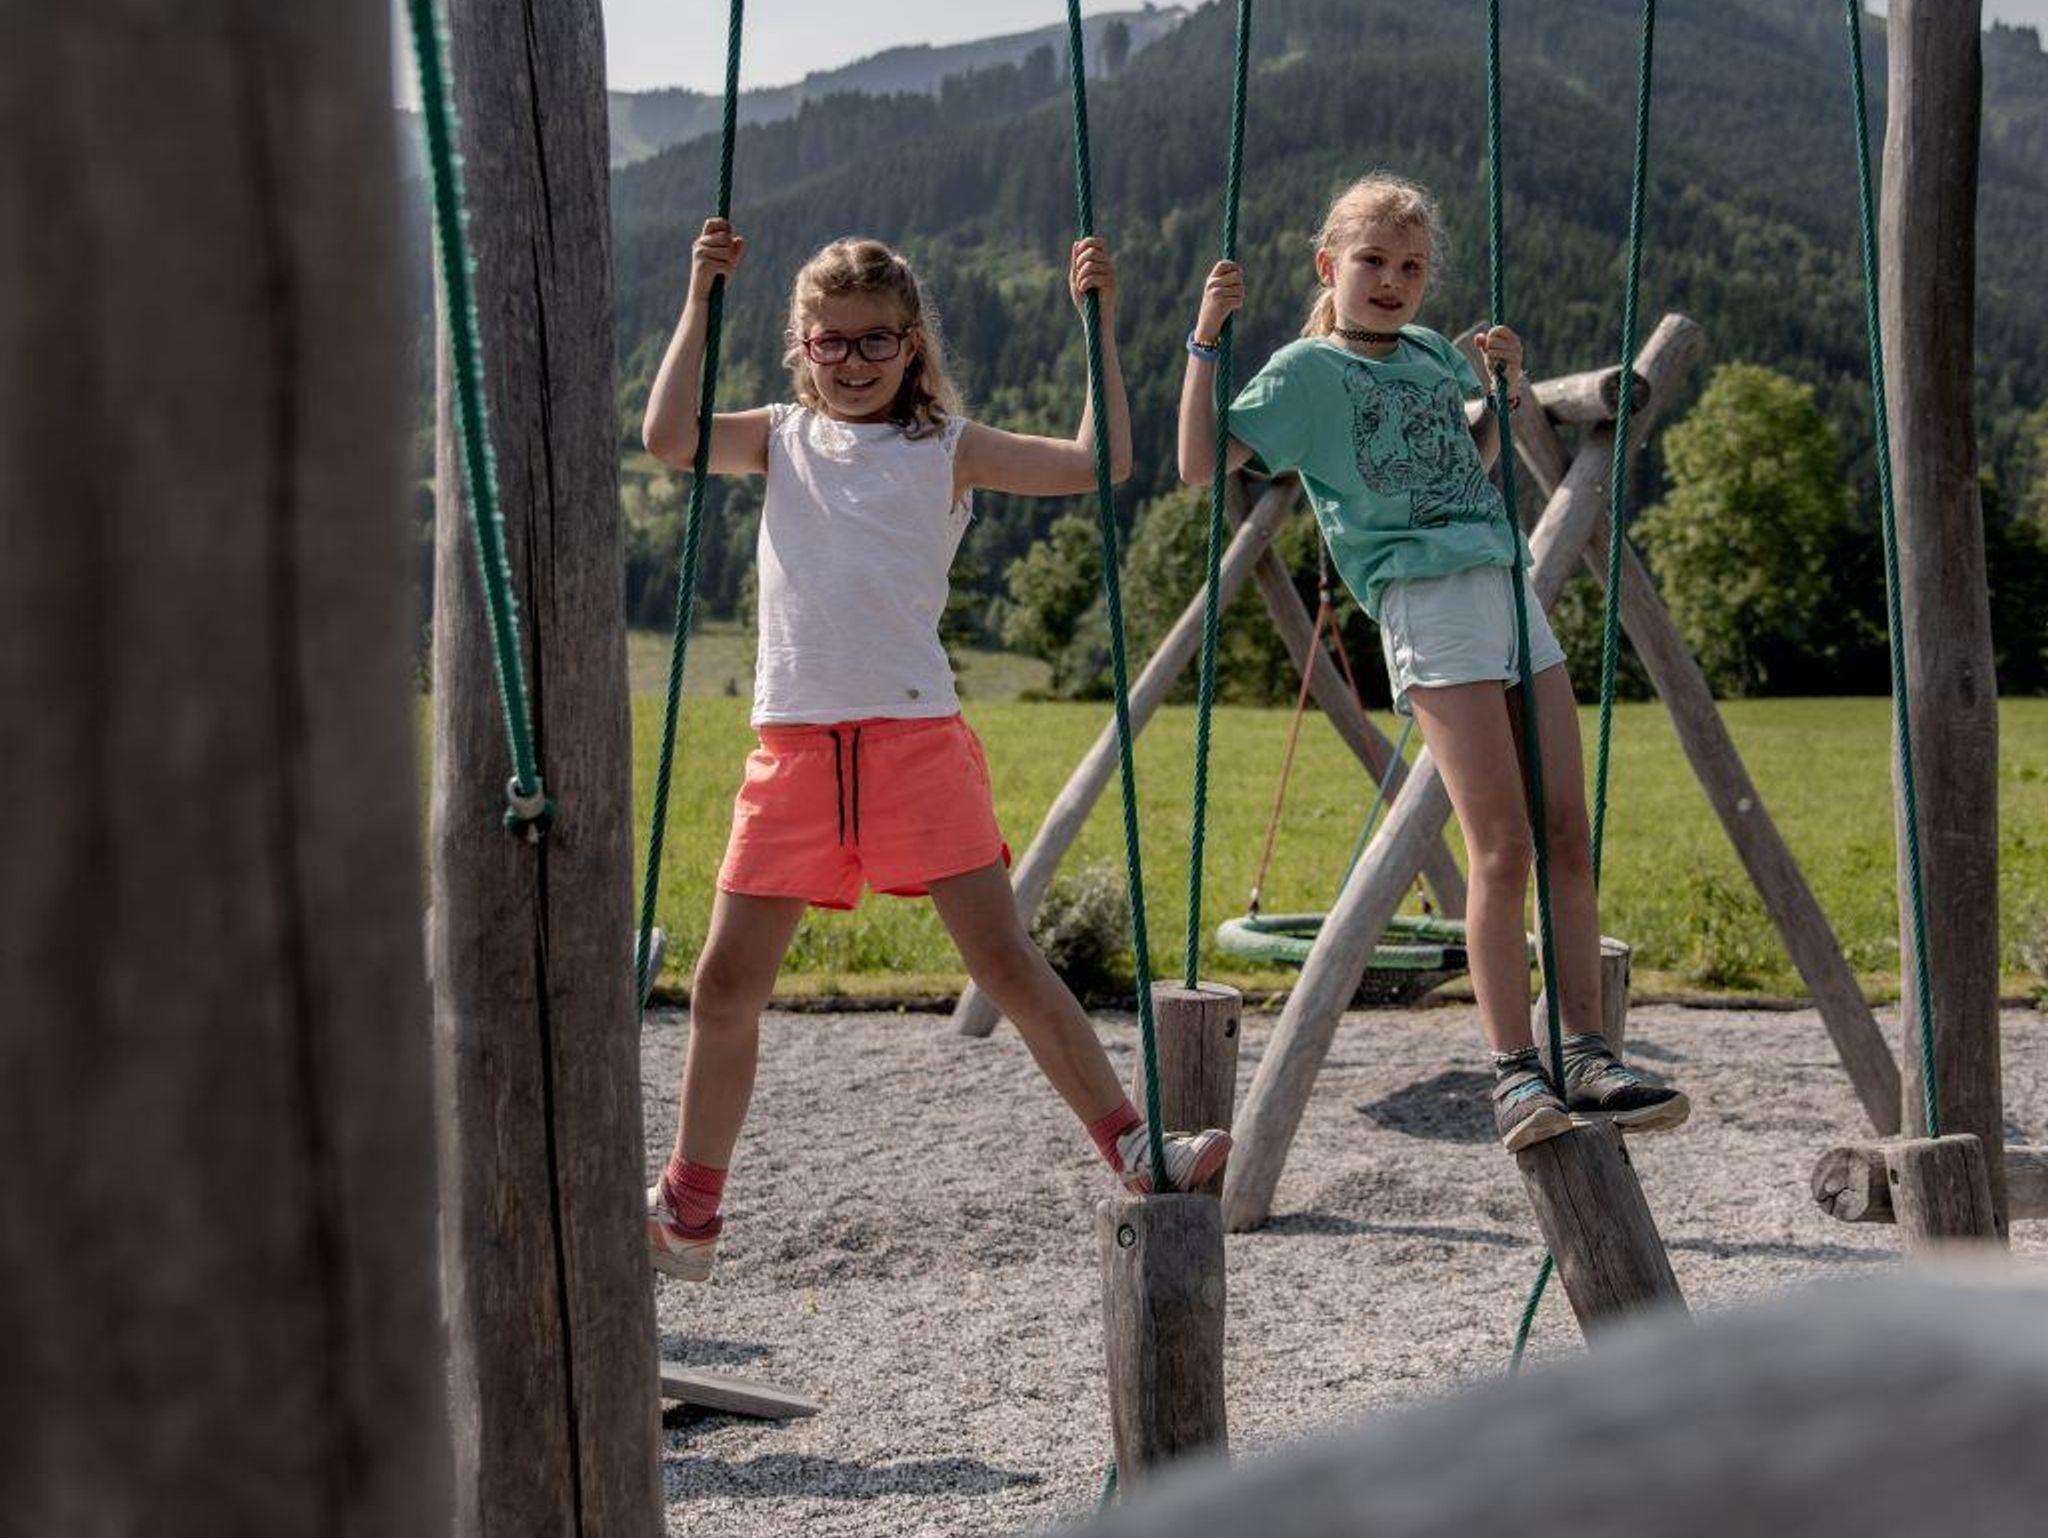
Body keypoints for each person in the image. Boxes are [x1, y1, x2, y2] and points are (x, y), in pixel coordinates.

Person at [638, 219, 1230, 1280]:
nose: (853, 361)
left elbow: (1099, 462)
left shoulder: (947, 448)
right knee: (724, 986)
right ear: (801, 345)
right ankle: (689, 1211)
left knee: (1004, 961)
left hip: (915, 740)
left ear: (911, 344)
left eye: (876, 339)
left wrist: (1094, 322)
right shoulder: (778, 436)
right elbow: (669, 436)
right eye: (831, 340)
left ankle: (1141, 1149)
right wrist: (698, 297)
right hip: (794, 748)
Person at [1177, 173, 1688, 1153]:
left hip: (1503, 586)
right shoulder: (1303, 372)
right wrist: (1206, 338)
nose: (1391, 281)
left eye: (1411, 267)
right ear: (1328, 265)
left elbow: (1465, 463)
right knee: (1500, 845)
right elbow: (1202, 463)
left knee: (1567, 833)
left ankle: (1586, 1053)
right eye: (1372, 260)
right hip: (1426, 603)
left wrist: (1499, 392)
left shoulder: (1424, 353)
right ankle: (1515, 1071)